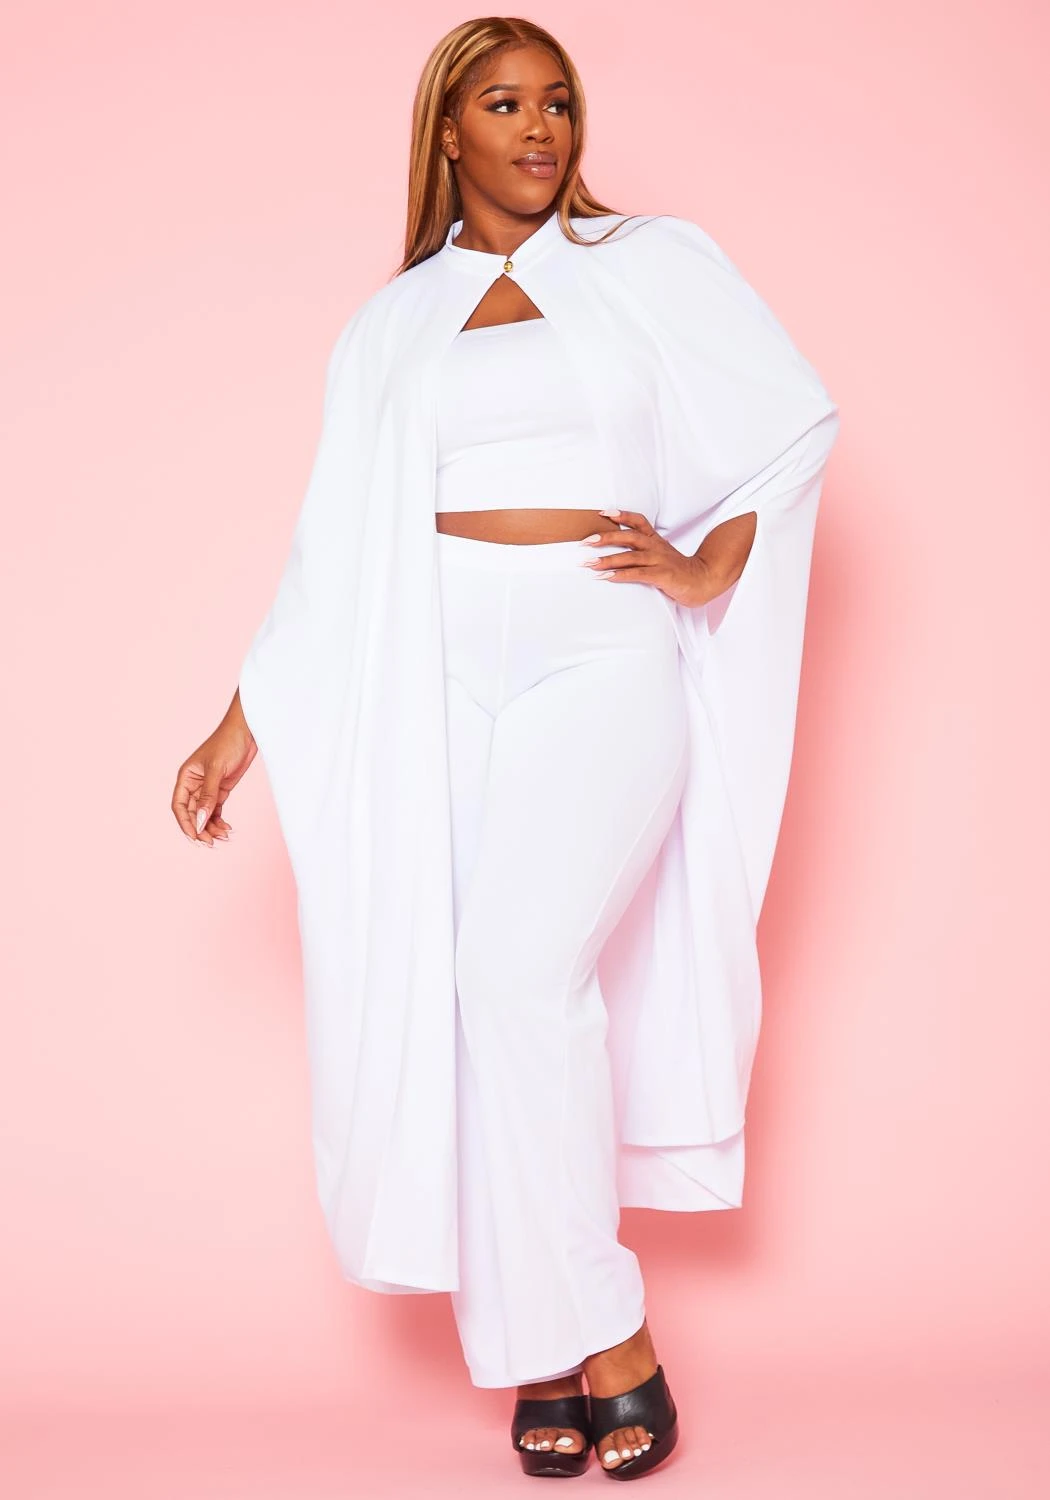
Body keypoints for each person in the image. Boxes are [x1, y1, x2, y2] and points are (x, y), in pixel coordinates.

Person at [171, 16, 839, 1482]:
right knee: (471, 998)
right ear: (447, 131)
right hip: (436, 664)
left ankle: (610, 1337)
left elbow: (789, 430)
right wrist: (237, 732)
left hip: (597, 647)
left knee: (516, 975)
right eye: (503, 103)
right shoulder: (394, 322)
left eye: (556, 103)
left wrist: (702, 568)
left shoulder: (647, 264)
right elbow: (331, 551)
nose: (538, 129)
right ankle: (544, 1345)